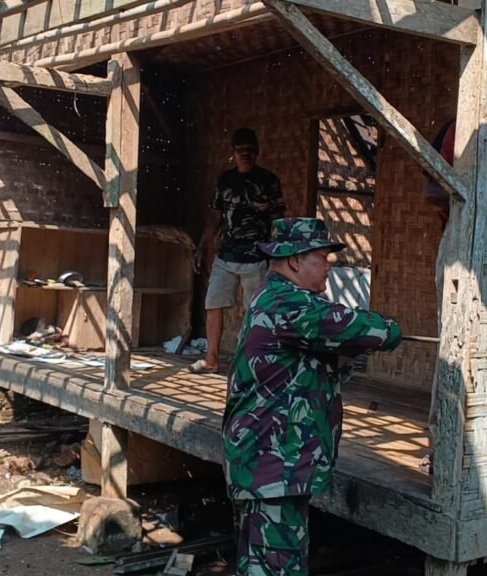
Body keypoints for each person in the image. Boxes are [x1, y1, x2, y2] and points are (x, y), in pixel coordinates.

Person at [223, 217, 402, 576]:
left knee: (263, 565)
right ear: (295, 261)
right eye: (322, 258)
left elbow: (312, 363)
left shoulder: (274, 297)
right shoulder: (289, 304)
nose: (329, 267)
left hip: (270, 465)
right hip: (272, 467)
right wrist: (392, 329)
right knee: (276, 568)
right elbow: (373, 330)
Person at [189, 128, 286, 374]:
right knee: (213, 305)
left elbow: (278, 220)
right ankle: (211, 358)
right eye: (241, 149)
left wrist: (278, 255)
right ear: (233, 152)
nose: (246, 153)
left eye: (250, 149)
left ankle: (249, 362)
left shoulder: (269, 181)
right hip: (226, 256)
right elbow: (215, 217)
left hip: (257, 258)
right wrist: (201, 247)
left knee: (255, 311)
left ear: (257, 151)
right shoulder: (225, 181)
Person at [420, 119, 456, 475]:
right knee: (452, 344)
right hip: (460, 241)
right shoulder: (458, 129)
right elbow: (432, 190)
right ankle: (441, 444)